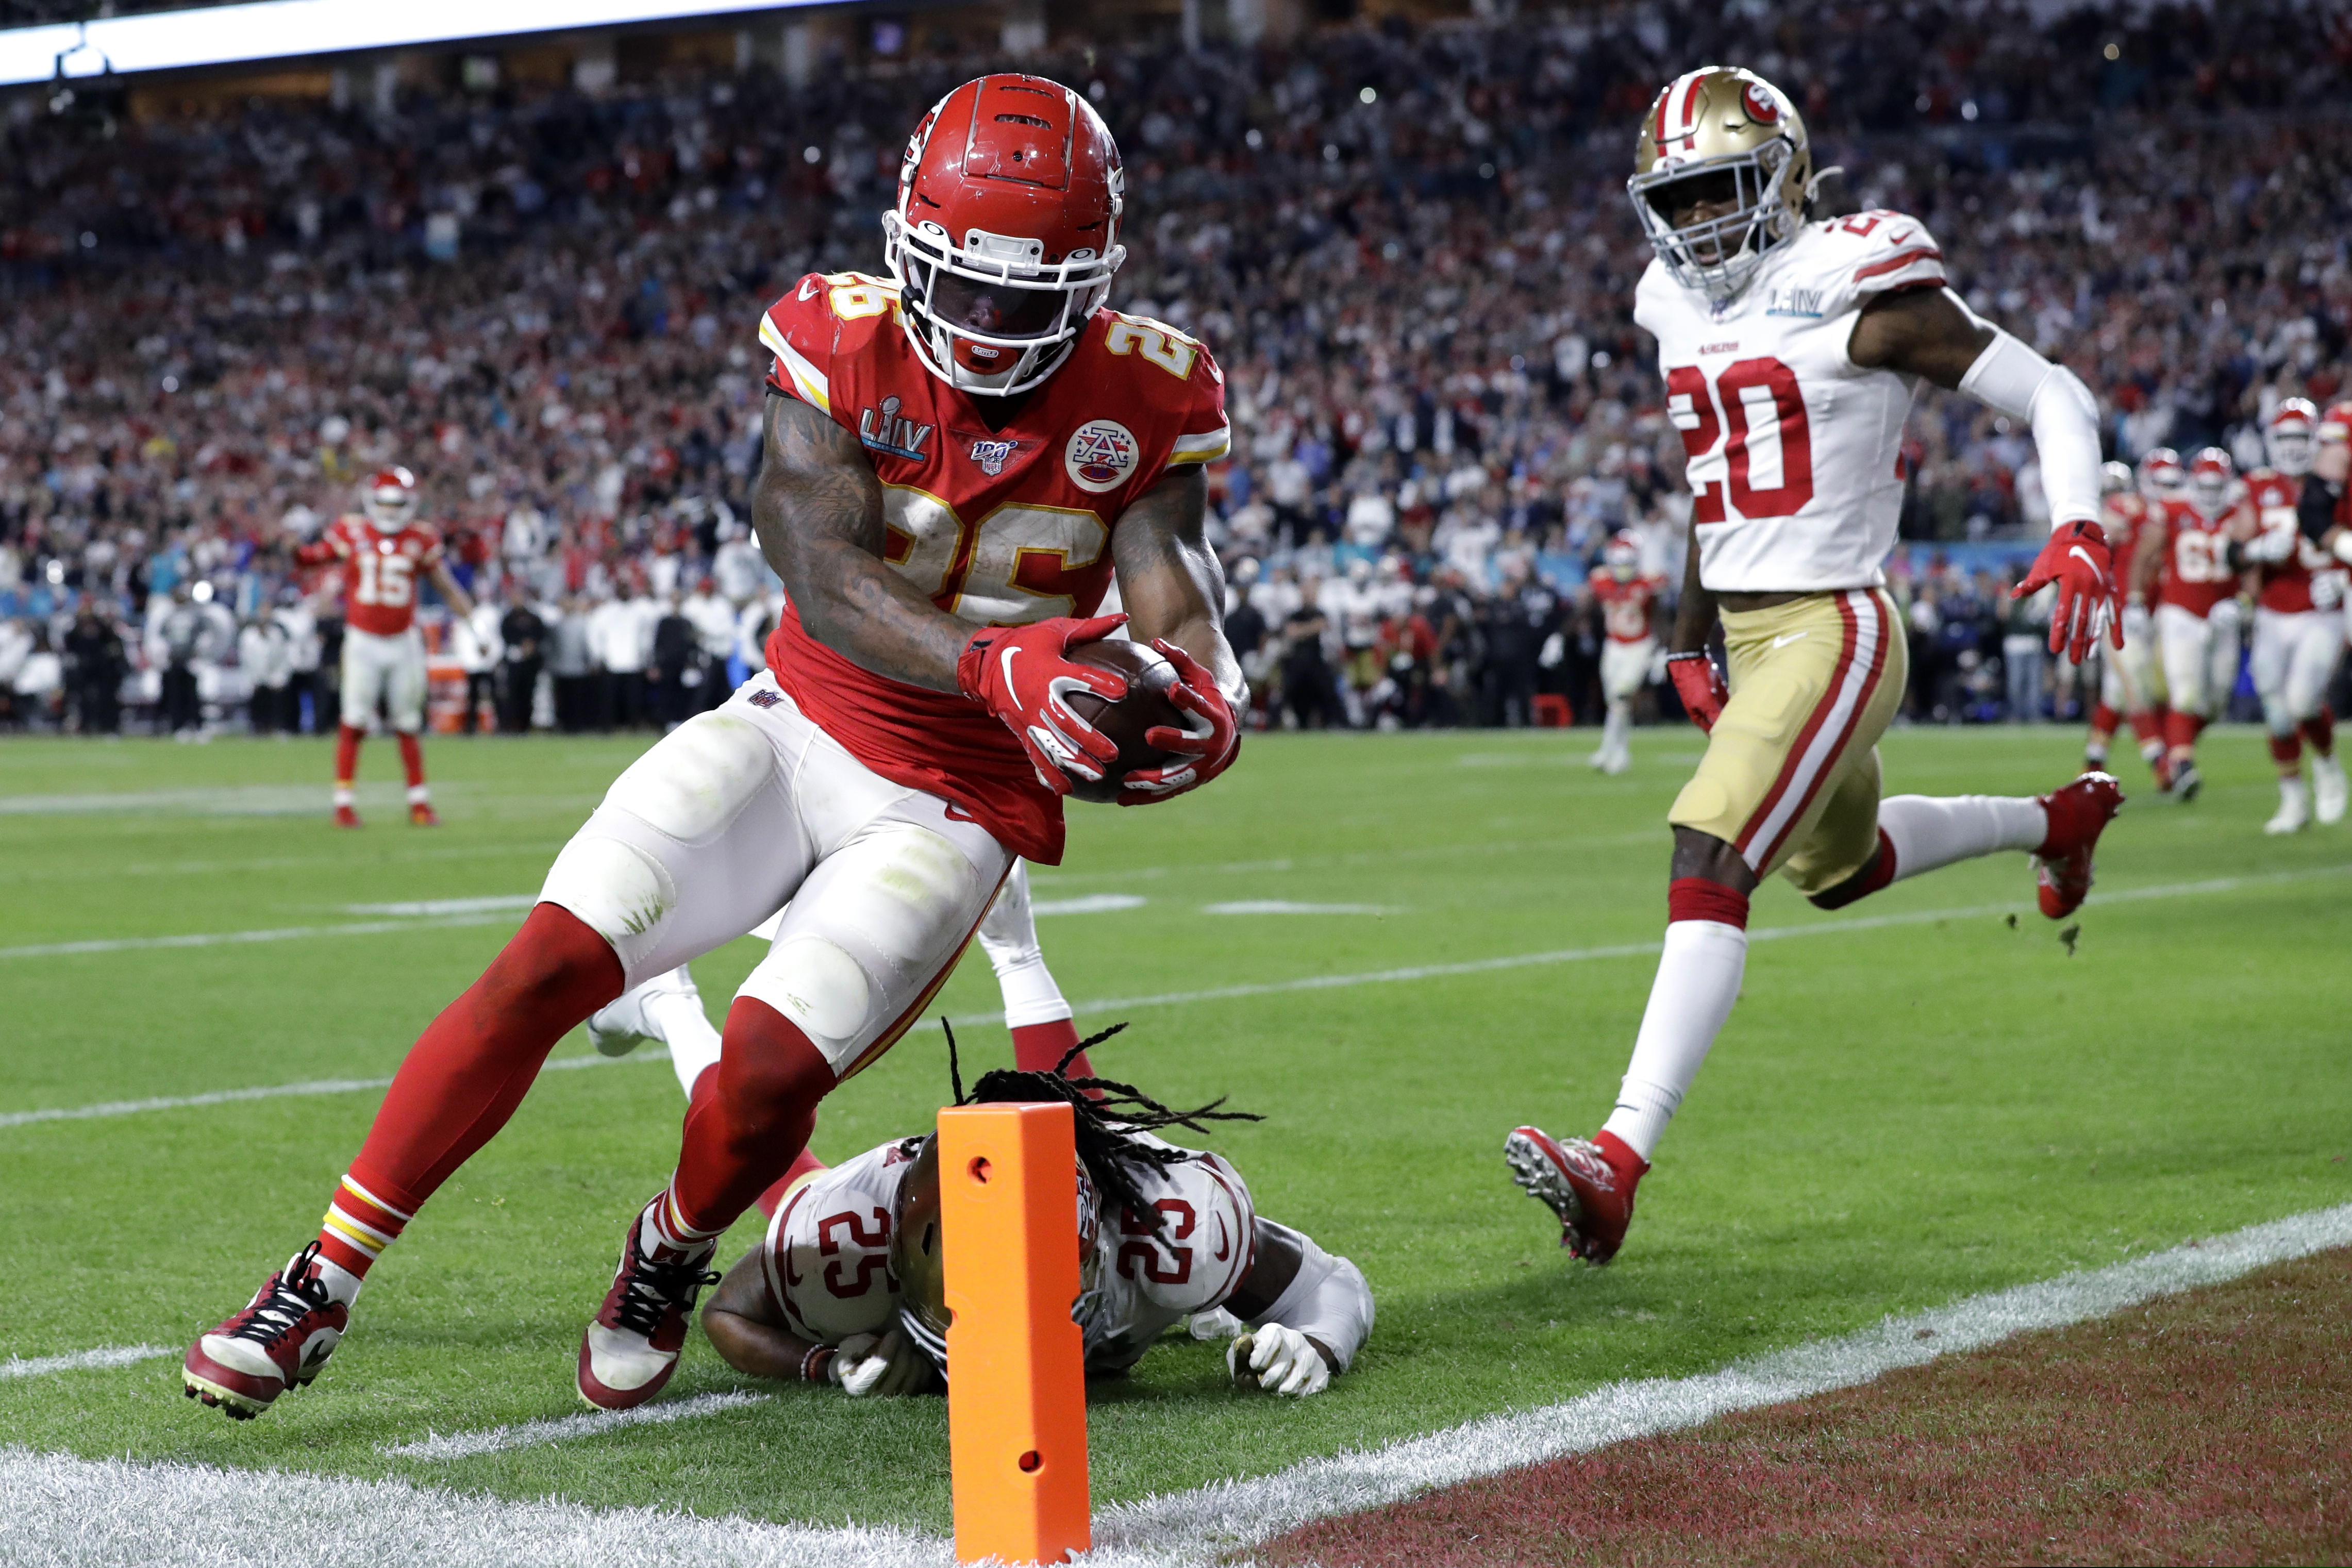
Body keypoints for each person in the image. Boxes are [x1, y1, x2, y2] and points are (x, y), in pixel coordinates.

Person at [181, 74, 1242, 1423]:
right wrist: (992, 658)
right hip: (800, 723)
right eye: (958, 288)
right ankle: (323, 1277)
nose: (983, 324)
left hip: (956, 801)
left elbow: (1176, 586)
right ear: (904, 246)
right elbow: (814, 551)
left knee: (762, 1073)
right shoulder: (835, 336)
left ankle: (666, 1253)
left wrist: (1211, 684)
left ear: (1093, 283)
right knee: (543, 964)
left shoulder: (1149, 389)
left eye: (1024, 300)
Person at [1506, 67, 2125, 1266]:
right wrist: (1688, 637)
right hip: (1746, 626)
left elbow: (2050, 390)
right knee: (1837, 870)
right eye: (1675, 200)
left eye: (1719, 191)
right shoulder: (1668, 304)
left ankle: (1615, 1159)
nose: (1696, 224)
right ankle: (2055, 819)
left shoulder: (1859, 282)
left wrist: (2076, 522)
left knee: (1710, 850)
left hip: (1835, 624)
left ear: (1783, 179)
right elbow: (1710, 486)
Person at [701, 1052, 1372, 1400]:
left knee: (1202, 1288)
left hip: (1132, 1247)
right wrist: (820, 1363)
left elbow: (1330, 1282)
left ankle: (1205, 1312)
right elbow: (727, 1311)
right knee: (754, 1134)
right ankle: (671, 1009)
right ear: (898, 1260)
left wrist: (1313, 1342)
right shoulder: (850, 1230)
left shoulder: (1164, 1222)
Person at [295, 467, 477, 827]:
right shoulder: (351, 530)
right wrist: (296, 551)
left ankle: (419, 803)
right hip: (362, 638)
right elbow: (313, 557)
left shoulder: (420, 538)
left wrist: (476, 625)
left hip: (403, 639)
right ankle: (344, 803)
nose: (390, 511)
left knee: (408, 721)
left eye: (397, 504)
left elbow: (445, 585)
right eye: (384, 503)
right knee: (355, 720)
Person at [2231, 400, 2348, 832]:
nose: (2293, 447)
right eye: (2285, 437)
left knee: (2302, 700)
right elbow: (2232, 551)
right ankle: (2293, 800)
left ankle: (2328, 766)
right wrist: (2256, 551)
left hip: (2322, 608)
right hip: (2272, 612)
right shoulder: (2258, 487)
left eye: (2301, 437)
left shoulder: (2336, 482)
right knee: (2278, 714)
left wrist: (2341, 578)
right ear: (2270, 441)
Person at [2134, 447, 2243, 803]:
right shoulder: (2173, 509)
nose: (2211, 496)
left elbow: (2255, 561)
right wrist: (2135, 600)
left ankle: (2175, 753)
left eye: (2217, 488)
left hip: (2223, 614)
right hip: (2179, 612)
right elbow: (2144, 554)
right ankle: (2181, 766)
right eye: (2205, 488)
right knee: (2186, 691)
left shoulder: (2241, 510)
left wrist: (2244, 602)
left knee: (2214, 701)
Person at [2082, 453, 2176, 787]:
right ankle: (2161, 765)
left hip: (2150, 613)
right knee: (2135, 684)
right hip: (2116, 612)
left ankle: (2092, 761)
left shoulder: (2166, 516)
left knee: (2117, 694)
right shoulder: (2117, 515)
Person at [1588, 530, 1667, 772]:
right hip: (1613, 646)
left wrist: (1663, 650)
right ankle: (1619, 753)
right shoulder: (1602, 580)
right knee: (1614, 701)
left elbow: (1662, 616)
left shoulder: (1646, 583)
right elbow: (1587, 608)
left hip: (1638, 646)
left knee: (1621, 698)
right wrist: (1561, 636)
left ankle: (1608, 751)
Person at [63, 603, 124, 735]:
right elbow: (70, 651)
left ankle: (110, 727)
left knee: (107, 698)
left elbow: (116, 650)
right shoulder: (74, 634)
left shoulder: (106, 633)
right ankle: (86, 727)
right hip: (83, 672)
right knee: (82, 699)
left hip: (104, 671)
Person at [497, 598, 547, 735]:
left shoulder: (533, 618)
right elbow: (505, 635)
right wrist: (519, 645)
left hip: (531, 663)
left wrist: (531, 646)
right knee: (512, 695)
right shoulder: (509, 618)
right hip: (514, 661)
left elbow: (541, 634)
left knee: (528, 695)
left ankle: (526, 725)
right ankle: (510, 726)